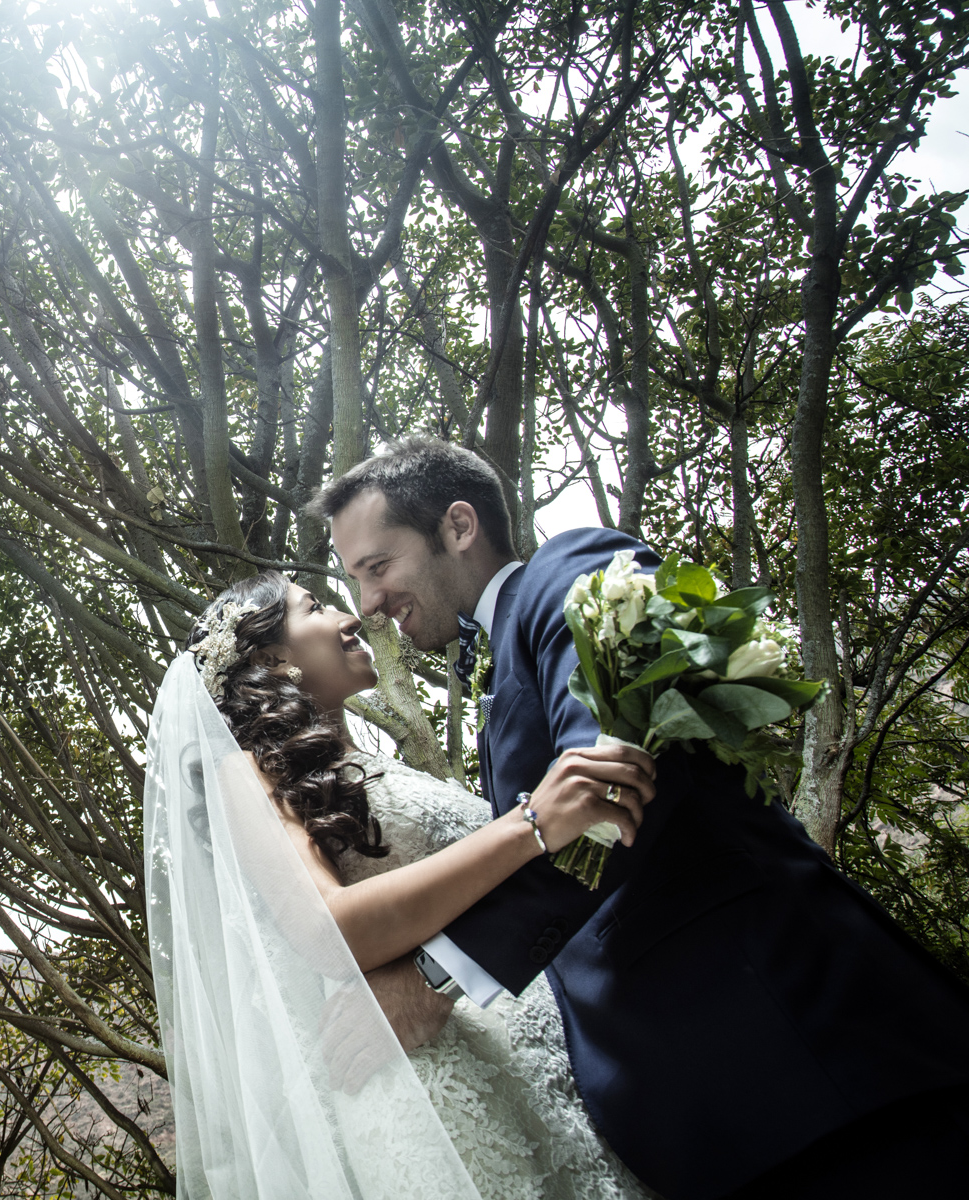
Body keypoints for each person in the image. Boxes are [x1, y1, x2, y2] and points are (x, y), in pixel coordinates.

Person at [315, 436, 969, 1199]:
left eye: (376, 567)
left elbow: (612, 789)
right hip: (705, 1107)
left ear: (459, 527)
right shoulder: (501, 676)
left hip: (801, 1051)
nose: (367, 604)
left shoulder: (577, 573)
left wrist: (437, 973)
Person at [146, 570, 658, 1198]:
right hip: (440, 1089)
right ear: (275, 660)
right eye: (315, 608)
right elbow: (328, 927)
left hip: (524, 1053)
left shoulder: (358, 764)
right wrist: (531, 824)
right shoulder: (242, 773)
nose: (348, 615)